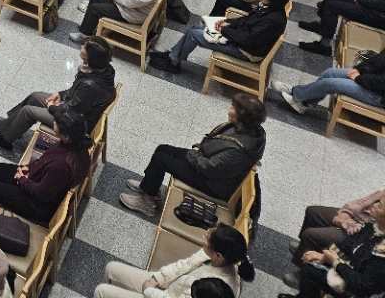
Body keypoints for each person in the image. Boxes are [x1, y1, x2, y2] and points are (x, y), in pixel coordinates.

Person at [119, 94, 266, 216]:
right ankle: (150, 187)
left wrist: (193, 154)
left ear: (241, 116)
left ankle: (147, 203)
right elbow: (216, 141)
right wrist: (199, 148)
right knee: (162, 149)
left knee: (161, 159)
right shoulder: (247, 129)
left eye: (233, 107)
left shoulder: (239, 151)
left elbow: (210, 168)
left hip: (211, 183)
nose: (229, 108)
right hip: (204, 160)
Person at [0, 106, 91, 238]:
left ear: (66, 136)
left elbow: (41, 194)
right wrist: (29, 168)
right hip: (39, 179)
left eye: (57, 124)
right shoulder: (76, 145)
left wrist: (22, 179)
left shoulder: (61, 166)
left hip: (38, 205)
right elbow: (46, 160)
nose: (54, 123)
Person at [0, 37, 115, 149]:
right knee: (35, 96)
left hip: (73, 124)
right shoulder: (102, 70)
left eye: (85, 46)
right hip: (73, 110)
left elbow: (71, 111)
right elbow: (76, 92)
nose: (81, 46)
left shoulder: (90, 86)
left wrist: (52, 107)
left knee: (28, 111)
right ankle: (11, 126)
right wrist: (60, 95)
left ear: (91, 56)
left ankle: (5, 139)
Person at [150, 0, 290, 73]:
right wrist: (226, 22)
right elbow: (245, 20)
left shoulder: (273, 20)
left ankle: (173, 64)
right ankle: (173, 55)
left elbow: (248, 39)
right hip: (240, 40)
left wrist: (224, 30)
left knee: (194, 35)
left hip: (245, 51)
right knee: (196, 28)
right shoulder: (269, 8)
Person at [94, 224, 254, 298]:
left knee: (101, 291)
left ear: (218, 255)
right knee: (111, 268)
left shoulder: (213, 289)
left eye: (208, 237)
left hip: (166, 295)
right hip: (170, 287)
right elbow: (181, 267)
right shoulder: (213, 254)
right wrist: (158, 278)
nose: (205, 235)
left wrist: (149, 291)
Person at [281, 195, 385, 298]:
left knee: (310, 272)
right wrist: (324, 257)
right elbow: (349, 243)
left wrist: (336, 263)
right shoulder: (373, 224)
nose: (374, 204)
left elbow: (362, 287)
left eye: (379, 205)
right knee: (311, 266)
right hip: (351, 270)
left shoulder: (381, 254)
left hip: (357, 290)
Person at [275, 47, 385, 115]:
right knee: (329, 73)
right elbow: (378, 59)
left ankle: (295, 95)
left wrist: (358, 78)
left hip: (377, 95)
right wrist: (358, 69)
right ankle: (303, 103)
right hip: (369, 77)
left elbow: (381, 83)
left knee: (329, 84)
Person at [296, 0, 385, 56]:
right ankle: (322, 26)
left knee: (331, 7)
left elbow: (381, 3)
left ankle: (324, 46)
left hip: (377, 15)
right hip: (366, 2)